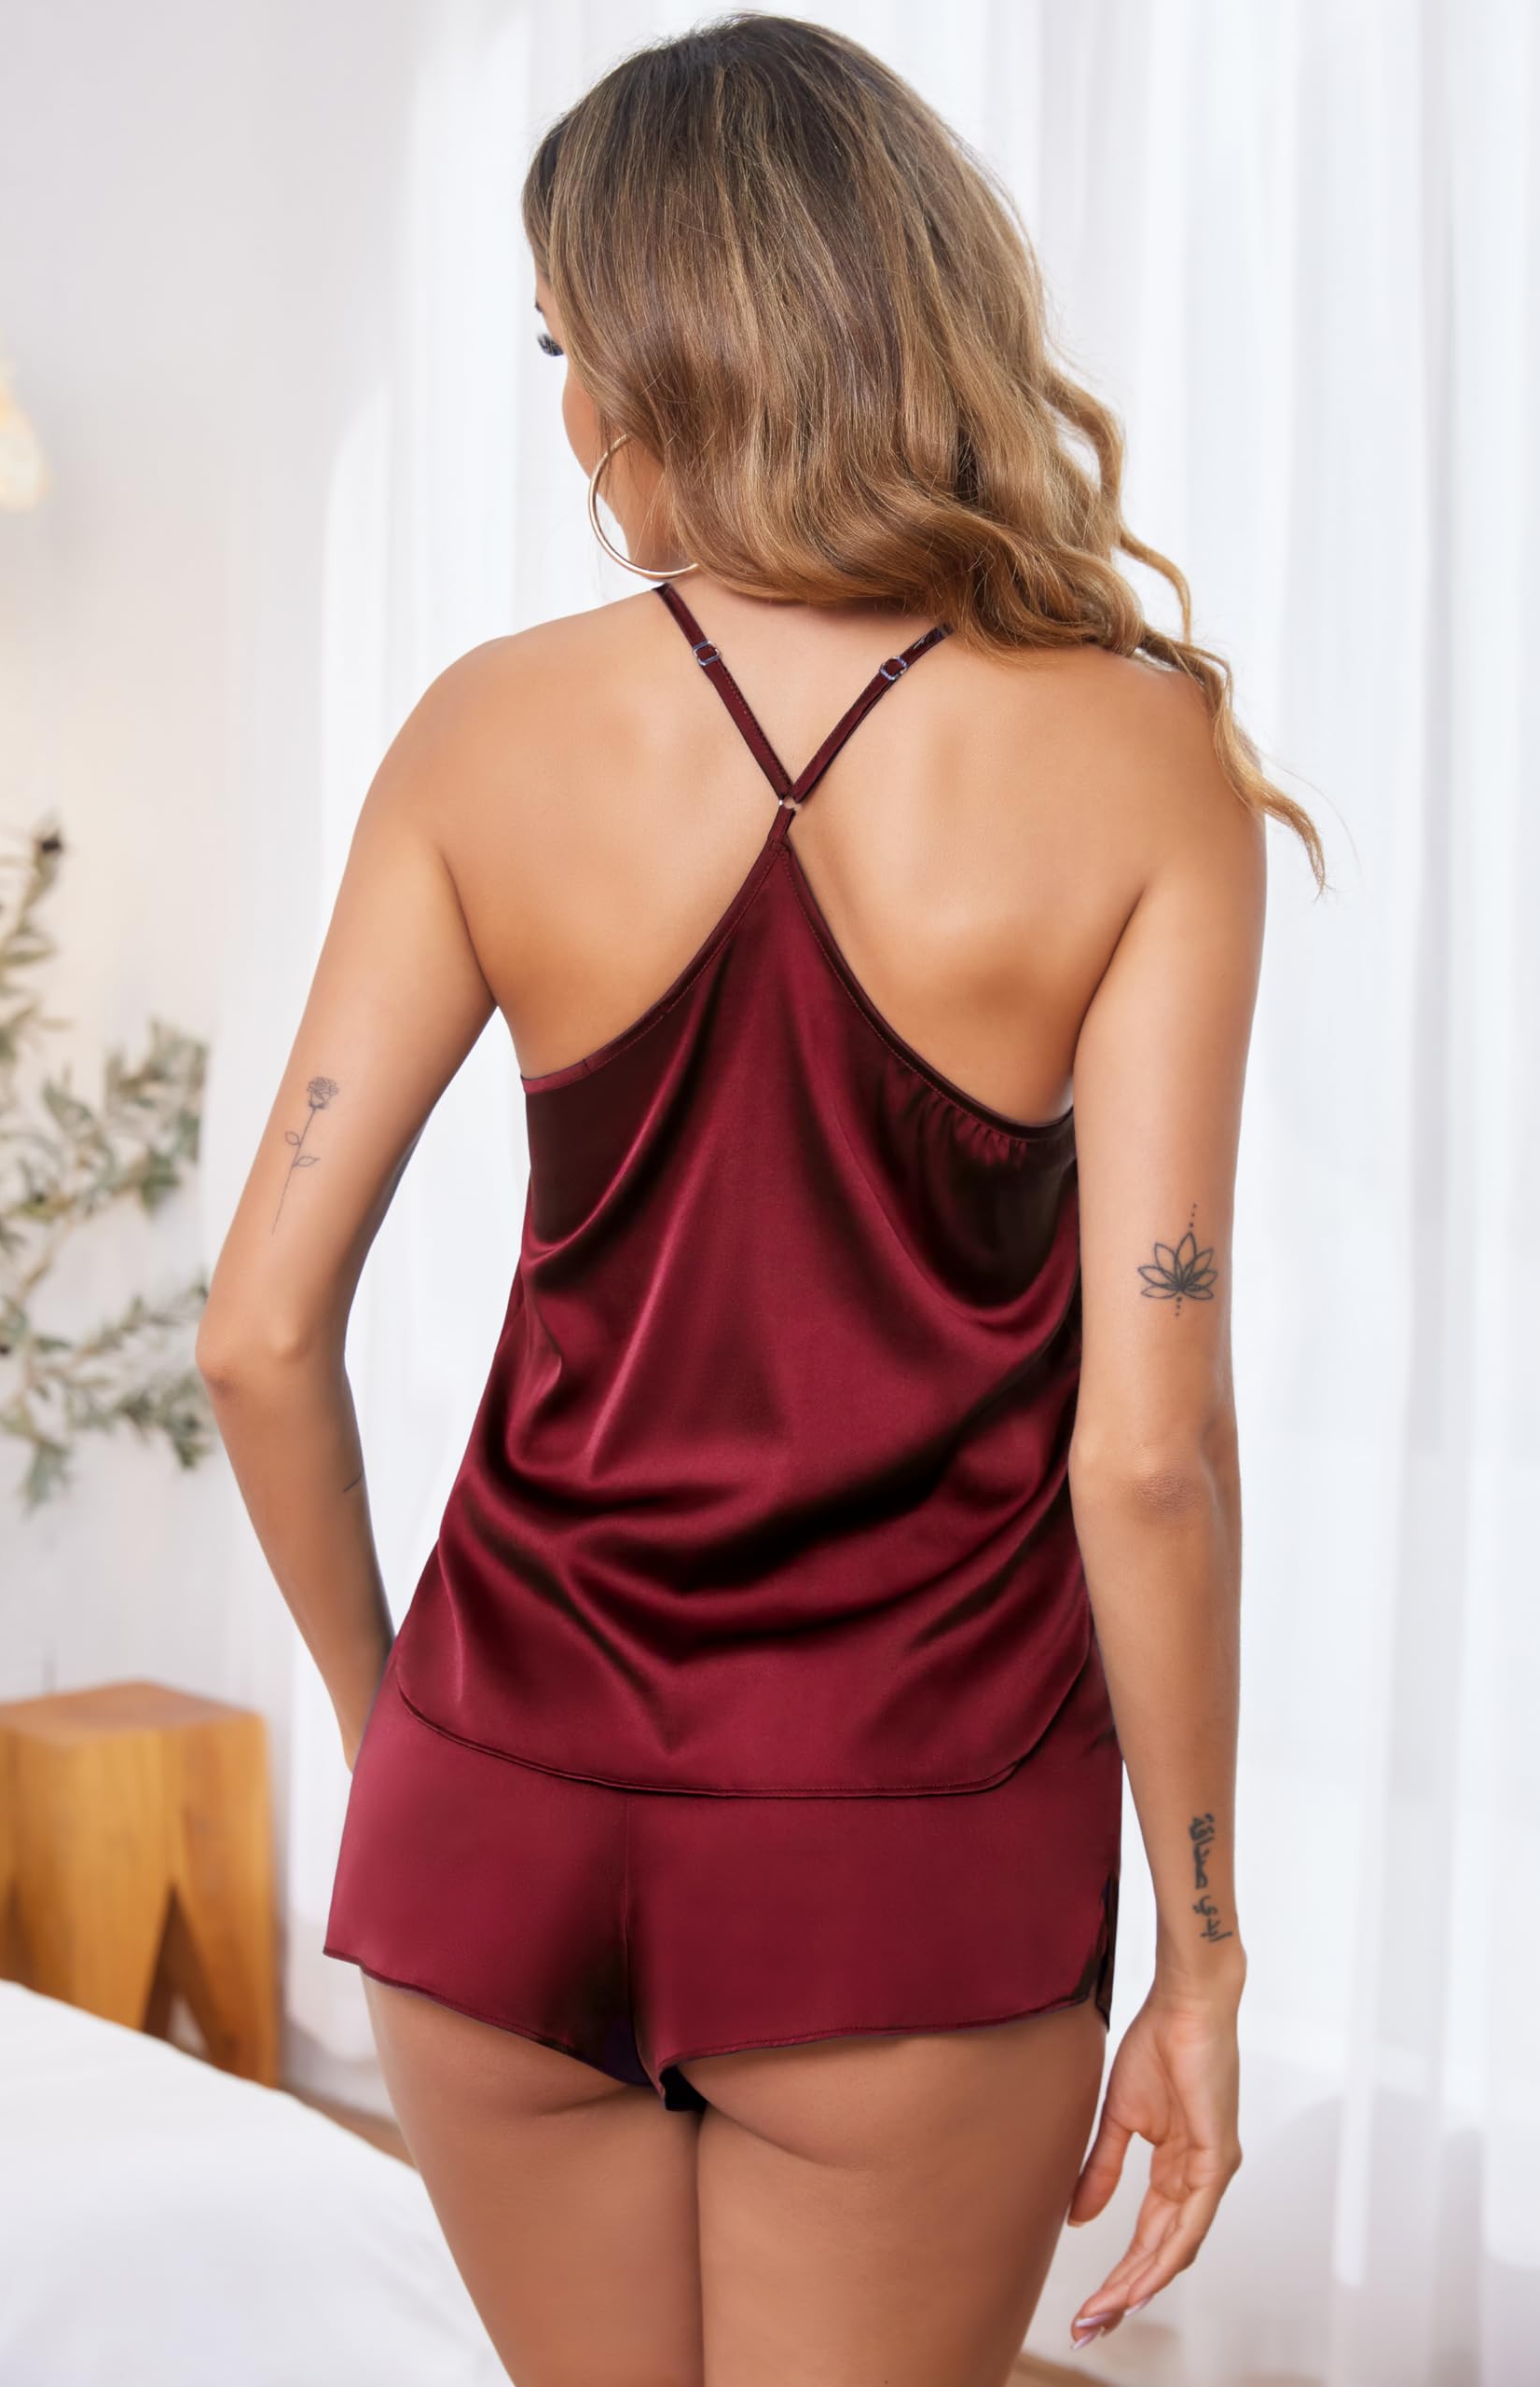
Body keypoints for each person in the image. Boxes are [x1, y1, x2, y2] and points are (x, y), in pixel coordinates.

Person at [198, 16, 1325, 2384]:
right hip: (909, 1862)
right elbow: (1147, 1452)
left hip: (491, 1833)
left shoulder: (484, 729)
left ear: (673, 345)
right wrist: (1202, 1952)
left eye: (567, 349)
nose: (573, 415)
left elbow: (256, 1332)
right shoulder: (1141, 762)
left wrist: (413, 1748)